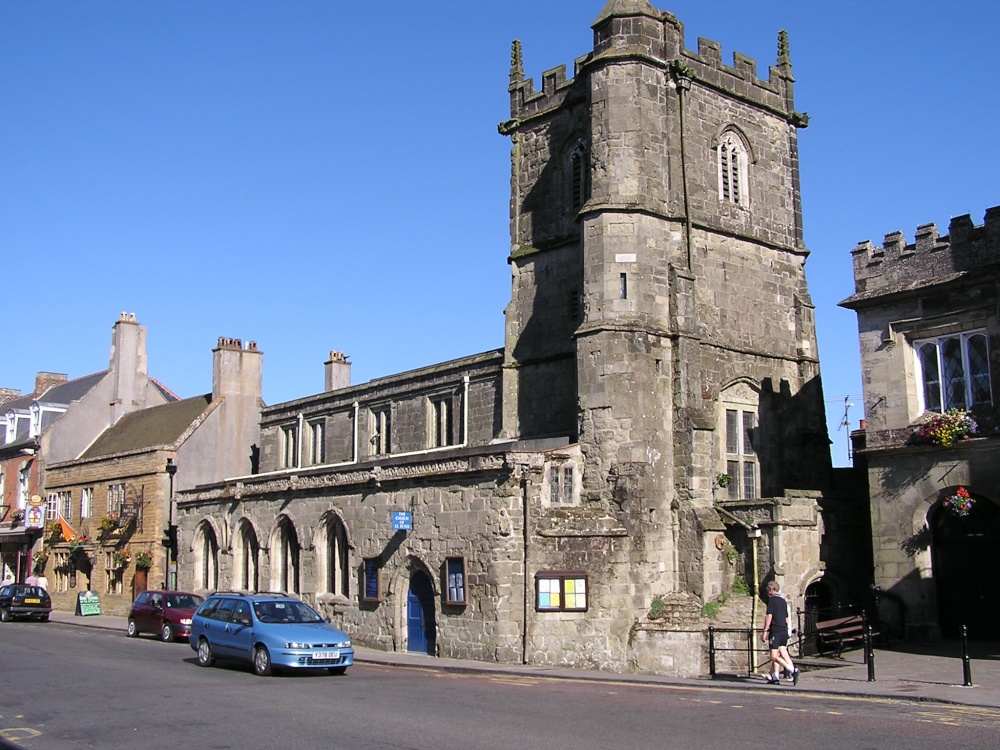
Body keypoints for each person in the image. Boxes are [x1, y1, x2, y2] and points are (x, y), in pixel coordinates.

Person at [762, 580, 799, 685]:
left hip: (776, 631)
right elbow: (786, 619)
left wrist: (765, 631)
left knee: (773, 656)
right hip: (783, 631)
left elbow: (769, 616)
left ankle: (793, 670)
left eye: (768, 590)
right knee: (782, 651)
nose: (767, 592)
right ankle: (774, 676)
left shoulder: (772, 600)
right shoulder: (783, 601)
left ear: (771, 589)